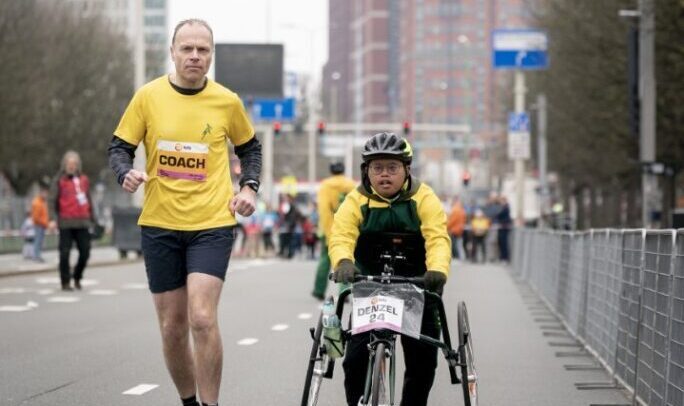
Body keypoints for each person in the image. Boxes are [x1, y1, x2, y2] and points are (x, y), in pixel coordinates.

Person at [108, 19, 262, 406]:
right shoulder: (148, 96)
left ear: (211, 55)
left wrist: (249, 188)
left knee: (202, 317)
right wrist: (125, 173)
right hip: (159, 224)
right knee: (172, 327)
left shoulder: (227, 101)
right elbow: (119, 147)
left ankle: (211, 404)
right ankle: (190, 401)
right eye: (187, 49)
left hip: (211, 223)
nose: (195, 56)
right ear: (173, 52)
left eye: (203, 50)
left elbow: (251, 150)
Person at [329, 132, 451, 406]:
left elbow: (437, 237)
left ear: (407, 169)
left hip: (417, 285)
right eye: (377, 168)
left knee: (422, 361)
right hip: (370, 284)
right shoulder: (355, 200)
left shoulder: (424, 197)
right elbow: (341, 235)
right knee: (355, 360)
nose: (385, 175)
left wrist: (437, 270)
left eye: (392, 168)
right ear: (366, 171)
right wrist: (344, 262)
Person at [49, 151, 94, 291]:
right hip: (66, 222)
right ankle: (65, 281)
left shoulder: (84, 180)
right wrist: (51, 219)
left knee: (85, 252)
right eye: (69, 164)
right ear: (64, 165)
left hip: (83, 221)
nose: (71, 166)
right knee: (64, 253)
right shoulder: (59, 181)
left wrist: (93, 218)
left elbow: (89, 199)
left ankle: (77, 276)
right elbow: (52, 201)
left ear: (78, 165)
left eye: (74, 164)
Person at [311, 162, 355, 300]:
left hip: (329, 230)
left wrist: (330, 233)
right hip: (348, 229)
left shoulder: (325, 186)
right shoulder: (351, 185)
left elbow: (324, 211)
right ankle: (345, 290)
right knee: (346, 259)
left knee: (325, 261)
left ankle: (319, 290)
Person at [30, 182, 50, 262]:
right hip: (39, 224)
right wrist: (44, 222)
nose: (46, 195)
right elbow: (36, 216)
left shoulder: (41, 202)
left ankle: (37, 255)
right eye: (45, 193)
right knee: (38, 241)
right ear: (41, 193)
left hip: (42, 224)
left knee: (40, 241)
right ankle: (36, 256)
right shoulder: (37, 202)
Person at [446, 196, 467, 260]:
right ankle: (462, 257)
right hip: (460, 229)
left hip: (454, 230)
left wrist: (446, 227)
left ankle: (458, 257)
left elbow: (452, 221)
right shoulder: (462, 209)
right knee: (459, 244)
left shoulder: (455, 209)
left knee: (454, 245)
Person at [496, 196, 512, 262]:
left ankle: (505, 258)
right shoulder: (503, 207)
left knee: (504, 243)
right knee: (500, 243)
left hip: (504, 227)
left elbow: (500, 214)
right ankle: (502, 257)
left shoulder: (506, 207)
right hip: (501, 227)